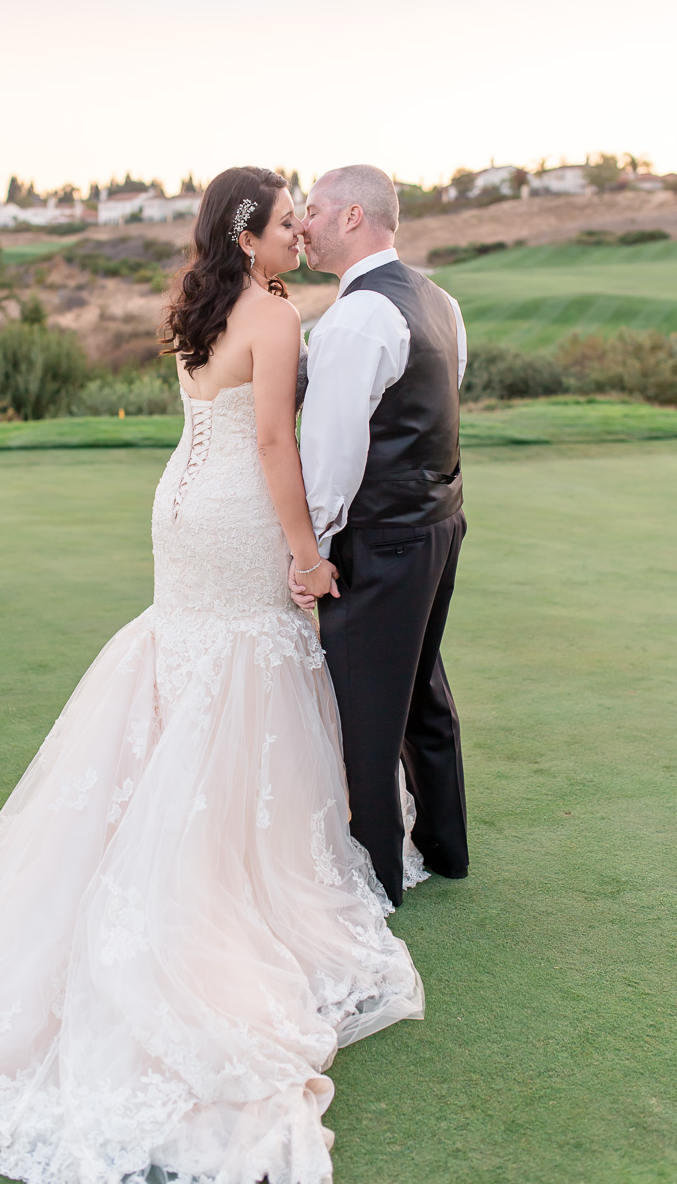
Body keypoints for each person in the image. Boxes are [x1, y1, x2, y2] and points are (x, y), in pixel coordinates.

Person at [0, 167, 424, 1184]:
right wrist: (304, 554)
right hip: (238, 515)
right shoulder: (270, 310)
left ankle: (150, 821)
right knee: (246, 658)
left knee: (192, 653)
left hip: (178, 509)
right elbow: (270, 444)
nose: (300, 235)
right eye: (289, 222)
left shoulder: (200, 300)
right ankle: (204, 856)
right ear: (250, 233)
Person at [291, 165, 469, 908]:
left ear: (355, 217)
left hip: (385, 538)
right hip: (440, 522)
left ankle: (375, 884)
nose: (304, 223)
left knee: (367, 709)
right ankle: (446, 847)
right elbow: (445, 389)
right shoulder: (440, 299)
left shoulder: (357, 318)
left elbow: (331, 453)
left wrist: (315, 550)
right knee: (423, 686)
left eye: (315, 211)